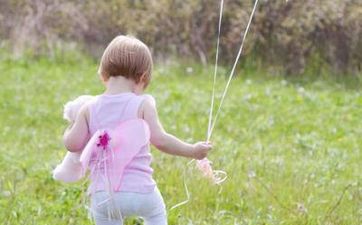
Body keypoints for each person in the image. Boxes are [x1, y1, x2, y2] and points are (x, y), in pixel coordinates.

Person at [62, 35, 212, 225]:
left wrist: (71, 126)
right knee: (156, 214)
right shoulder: (142, 105)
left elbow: (72, 144)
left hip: (104, 195)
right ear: (143, 78)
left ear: (102, 73)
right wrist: (193, 151)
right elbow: (161, 140)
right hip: (142, 190)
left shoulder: (88, 108)